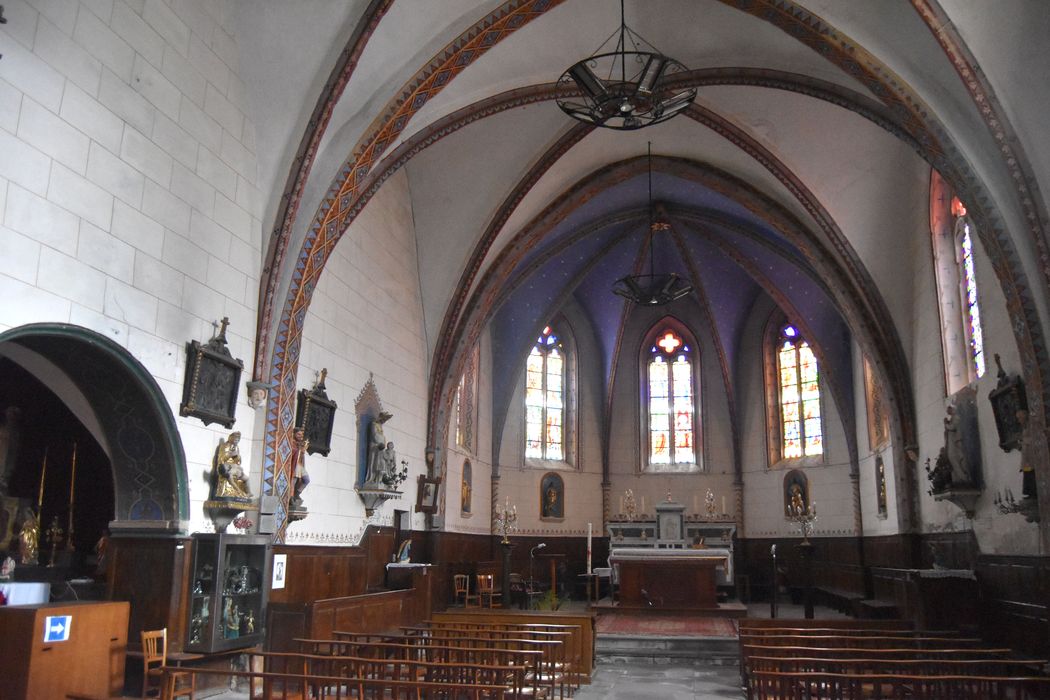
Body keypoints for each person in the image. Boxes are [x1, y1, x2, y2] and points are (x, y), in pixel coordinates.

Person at [214, 432, 251, 500]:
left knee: (245, 478)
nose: (236, 442)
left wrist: (238, 457)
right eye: (235, 440)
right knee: (231, 478)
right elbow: (221, 459)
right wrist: (230, 455)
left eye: (237, 440)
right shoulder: (225, 446)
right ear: (231, 438)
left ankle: (246, 493)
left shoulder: (236, 447)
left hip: (234, 467)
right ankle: (238, 492)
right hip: (226, 467)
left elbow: (238, 462)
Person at [366, 412, 394, 484]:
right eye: (383, 420)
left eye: (384, 421)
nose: (383, 422)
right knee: (373, 462)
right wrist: (380, 442)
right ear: (380, 418)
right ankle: (372, 478)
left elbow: (382, 436)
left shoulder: (380, 426)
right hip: (374, 447)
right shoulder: (373, 424)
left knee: (381, 464)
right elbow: (374, 435)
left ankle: (378, 479)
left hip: (380, 448)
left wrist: (383, 443)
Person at [290, 428, 310, 511]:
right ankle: (290, 497)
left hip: (300, 466)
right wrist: (300, 451)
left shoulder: (300, 444)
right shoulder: (292, 442)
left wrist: (303, 449)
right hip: (294, 465)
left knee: (306, 480)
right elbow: (292, 451)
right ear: (294, 434)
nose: (301, 436)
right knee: (293, 481)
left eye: (301, 435)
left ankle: (297, 493)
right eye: (298, 434)